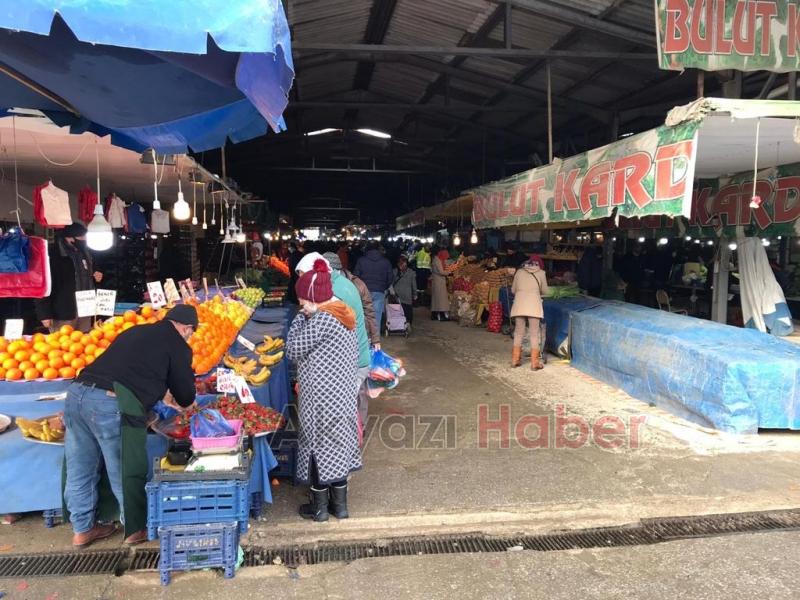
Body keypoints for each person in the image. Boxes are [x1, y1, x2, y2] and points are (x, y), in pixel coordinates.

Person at [65, 305, 198, 548]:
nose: (189, 337)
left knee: (80, 467)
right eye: (191, 332)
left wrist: (160, 392)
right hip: (109, 403)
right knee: (125, 467)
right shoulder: (178, 344)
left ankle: (82, 529)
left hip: (76, 394)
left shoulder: (136, 330)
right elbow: (186, 395)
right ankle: (134, 528)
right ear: (186, 328)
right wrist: (179, 395)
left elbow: (130, 368)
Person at [287, 259, 361, 523]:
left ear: (315, 299)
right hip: (341, 396)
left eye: (304, 301)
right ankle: (339, 506)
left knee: (318, 449)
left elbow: (293, 349)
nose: (301, 305)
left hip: (320, 398)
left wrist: (298, 320)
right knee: (337, 447)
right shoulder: (343, 312)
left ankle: (319, 509)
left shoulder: (320, 320)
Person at [35, 223, 103, 333]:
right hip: (63, 311)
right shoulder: (53, 255)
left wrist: (97, 276)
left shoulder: (85, 253)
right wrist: (44, 314)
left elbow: (89, 275)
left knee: (85, 344)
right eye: (81, 237)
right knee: (62, 345)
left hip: (85, 308)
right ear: (69, 237)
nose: (84, 240)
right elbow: (42, 284)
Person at [510, 256, 549, 370]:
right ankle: (534, 363)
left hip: (519, 304)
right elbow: (545, 291)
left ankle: (515, 360)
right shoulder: (541, 273)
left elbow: (513, 290)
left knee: (518, 332)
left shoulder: (519, 272)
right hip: (534, 305)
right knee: (534, 334)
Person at [354, 242, 393, 334]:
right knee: (377, 316)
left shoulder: (361, 260)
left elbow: (355, 276)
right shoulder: (385, 261)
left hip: (364, 292)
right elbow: (390, 277)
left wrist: (360, 288)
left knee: (364, 315)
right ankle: (375, 341)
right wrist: (384, 287)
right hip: (379, 291)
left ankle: (364, 337)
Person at [391, 255, 417, 328]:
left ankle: (397, 325)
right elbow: (414, 284)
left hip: (396, 294)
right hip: (407, 294)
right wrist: (415, 294)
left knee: (397, 310)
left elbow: (391, 283)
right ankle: (408, 324)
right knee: (408, 310)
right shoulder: (411, 272)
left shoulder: (394, 271)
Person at [430, 248, 451, 321]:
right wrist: (449, 272)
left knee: (437, 299)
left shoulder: (438, 260)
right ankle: (441, 315)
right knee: (440, 299)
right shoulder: (437, 261)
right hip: (439, 282)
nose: (446, 258)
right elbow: (441, 272)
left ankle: (435, 315)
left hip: (439, 282)